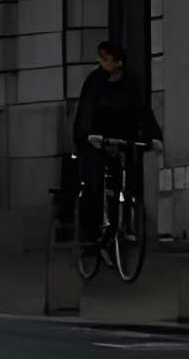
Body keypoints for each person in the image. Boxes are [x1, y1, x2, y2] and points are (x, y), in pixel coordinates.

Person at [68, 40, 159, 240]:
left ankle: (125, 224)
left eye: (105, 58)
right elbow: (86, 111)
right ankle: (93, 234)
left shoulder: (130, 81)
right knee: (95, 181)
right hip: (97, 139)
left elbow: (141, 109)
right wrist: (86, 136)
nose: (100, 61)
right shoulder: (95, 80)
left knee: (126, 179)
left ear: (117, 61)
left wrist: (152, 136)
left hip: (122, 138)